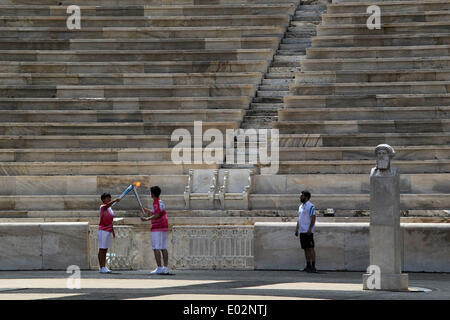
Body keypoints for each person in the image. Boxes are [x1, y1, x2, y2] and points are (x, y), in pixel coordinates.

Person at [140, 186, 170, 275]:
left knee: (156, 248)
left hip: (157, 227)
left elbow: (156, 215)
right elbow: (156, 212)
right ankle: (165, 268)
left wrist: (146, 219)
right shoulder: (159, 202)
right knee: (163, 248)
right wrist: (146, 210)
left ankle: (159, 267)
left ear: (152, 194)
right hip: (163, 227)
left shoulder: (156, 202)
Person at [294, 190, 317, 273]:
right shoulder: (300, 207)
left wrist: (310, 229)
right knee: (305, 249)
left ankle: (313, 266)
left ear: (306, 197)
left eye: (301, 195)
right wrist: (297, 229)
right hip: (302, 231)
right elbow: (299, 219)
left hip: (308, 231)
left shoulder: (311, 206)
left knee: (311, 248)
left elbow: (313, 218)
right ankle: (308, 265)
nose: (300, 197)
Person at [98, 192, 120, 274]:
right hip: (102, 230)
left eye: (110, 198)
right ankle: (101, 267)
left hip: (108, 230)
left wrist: (112, 231)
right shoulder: (102, 207)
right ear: (103, 199)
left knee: (105, 249)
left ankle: (104, 266)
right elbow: (107, 205)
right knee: (101, 249)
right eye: (107, 198)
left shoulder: (110, 209)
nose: (109, 199)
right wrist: (115, 200)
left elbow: (110, 221)